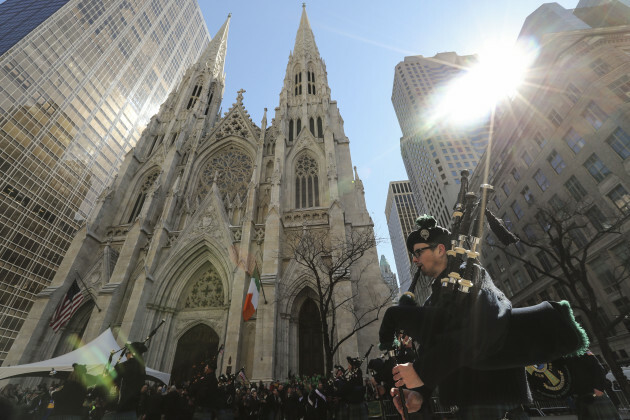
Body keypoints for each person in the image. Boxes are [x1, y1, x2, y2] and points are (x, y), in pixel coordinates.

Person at [381, 215, 531, 419]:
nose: (415, 259)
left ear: (440, 250)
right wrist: (419, 393)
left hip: (494, 404)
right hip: (465, 406)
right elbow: (437, 349)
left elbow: (483, 329)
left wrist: (422, 370)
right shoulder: (435, 298)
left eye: (418, 252)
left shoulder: (470, 275)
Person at [565, 351, 621, 420]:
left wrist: (595, 394)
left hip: (591, 396)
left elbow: (600, 372)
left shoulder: (586, 352)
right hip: (587, 397)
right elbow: (600, 371)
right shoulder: (586, 352)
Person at [103, 341, 148, 420]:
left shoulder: (124, 366)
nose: (126, 355)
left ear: (131, 354)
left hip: (118, 409)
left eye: (127, 353)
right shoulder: (142, 370)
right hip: (133, 409)